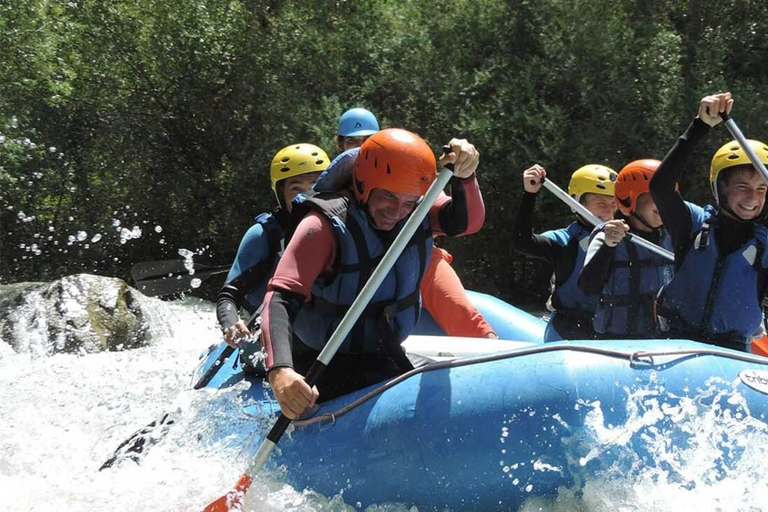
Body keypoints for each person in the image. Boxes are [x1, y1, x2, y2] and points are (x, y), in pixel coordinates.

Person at [260, 128, 485, 418]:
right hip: (318, 362)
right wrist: (280, 372)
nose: (397, 211)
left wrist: (466, 176)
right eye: (388, 197)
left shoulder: (417, 210)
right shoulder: (321, 226)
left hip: (382, 353)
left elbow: (466, 223)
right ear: (363, 184)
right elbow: (280, 298)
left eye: (408, 202)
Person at [334, 109, 495, 339]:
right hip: (359, 273)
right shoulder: (334, 190)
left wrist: (464, 177)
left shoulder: (406, 176)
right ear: (340, 145)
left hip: (417, 266)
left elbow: (465, 223)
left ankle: (488, 345)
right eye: (353, 142)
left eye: (367, 141)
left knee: (440, 280)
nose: (360, 148)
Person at [650, 92, 768, 352]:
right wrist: (699, 126)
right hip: (678, 346)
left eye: (761, 189)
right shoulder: (692, 224)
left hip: (733, 354)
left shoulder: (765, 243)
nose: (753, 197)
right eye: (743, 186)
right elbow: (660, 187)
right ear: (721, 188)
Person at [216, 143, 329, 369]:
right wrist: (231, 324)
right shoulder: (263, 235)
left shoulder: (338, 230)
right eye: (296, 188)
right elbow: (228, 296)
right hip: (269, 338)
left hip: (319, 335)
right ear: (281, 194)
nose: (307, 196)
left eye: (315, 185)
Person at [513, 163, 617, 341]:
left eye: (613, 204)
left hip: (611, 331)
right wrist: (530, 195)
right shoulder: (563, 240)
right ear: (576, 203)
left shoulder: (627, 239)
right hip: (568, 331)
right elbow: (522, 243)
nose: (609, 211)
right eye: (601, 203)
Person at [578, 159, 674, 339]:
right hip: (615, 341)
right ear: (630, 198)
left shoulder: (671, 237)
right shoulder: (605, 235)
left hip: (660, 340)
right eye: (655, 196)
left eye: (667, 196)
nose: (664, 204)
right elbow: (588, 287)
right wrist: (608, 246)